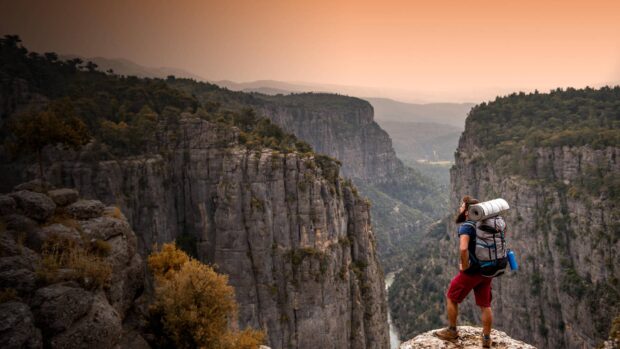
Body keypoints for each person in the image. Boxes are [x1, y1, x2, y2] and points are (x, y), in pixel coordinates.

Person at [434, 195, 493, 348]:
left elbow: (463, 248)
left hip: (472, 272)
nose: (459, 208)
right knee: (485, 305)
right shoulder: (485, 223)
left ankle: (452, 331)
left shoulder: (467, 226)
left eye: (461, 206)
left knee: (452, 297)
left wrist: (465, 265)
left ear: (467, 211)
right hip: (487, 270)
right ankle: (486, 339)